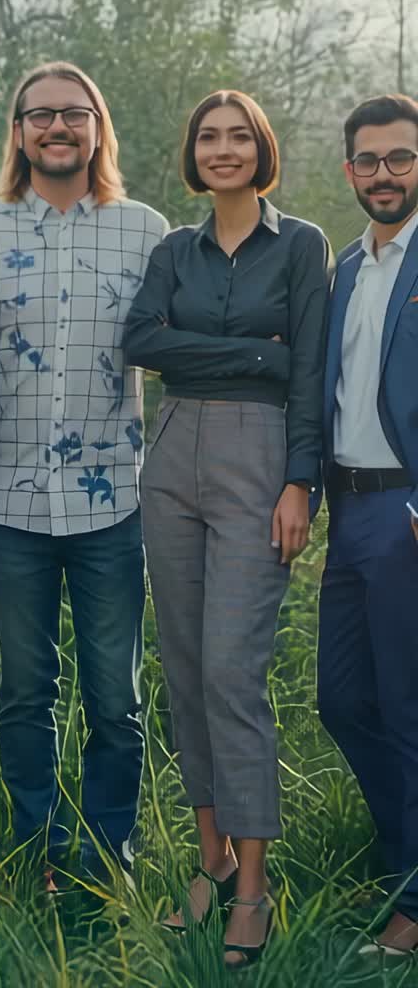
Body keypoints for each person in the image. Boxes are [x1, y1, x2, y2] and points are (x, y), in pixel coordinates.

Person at [123, 89, 331, 967]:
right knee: (183, 664)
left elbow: (310, 368)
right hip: (173, 453)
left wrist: (300, 484)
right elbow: (142, 341)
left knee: (232, 672)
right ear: (193, 154)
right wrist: (260, 353)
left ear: (262, 149)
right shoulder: (175, 248)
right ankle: (207, 864)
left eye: (237, 135)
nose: (221, 148)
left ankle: (253, 883)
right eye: (208, 137)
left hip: (259, 454)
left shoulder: (303, 245)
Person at [0, 61, 168, 884]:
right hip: (6, 503)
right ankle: (37, 850)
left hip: (114, 501)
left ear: (97, 127)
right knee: (25, 691)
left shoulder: (148, 231)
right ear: (18, 132)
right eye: (39, 115)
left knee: (116, 697)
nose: (57, 128)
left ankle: (107, 852)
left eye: (73, 114)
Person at [317, 94, 418, 958]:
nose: (384, 174)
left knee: (411, 706)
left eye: (401, 158)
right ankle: (405, 860)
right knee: (345, 700)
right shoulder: (345, 268)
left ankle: (415, 904)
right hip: (347, 510)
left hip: (409, 510)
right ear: (349, 169)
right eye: (370, 161)